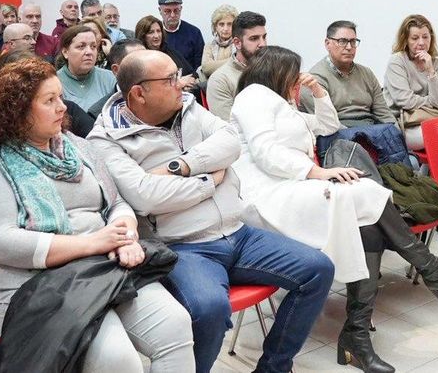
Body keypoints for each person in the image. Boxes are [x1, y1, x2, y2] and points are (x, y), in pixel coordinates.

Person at [230, 46, 438, 373]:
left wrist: (318, 92)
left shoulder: (283, 105)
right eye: (293, 76)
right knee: (364, 190)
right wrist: (318, 173)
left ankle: (357, 336)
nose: (297, 82)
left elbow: (328, 124)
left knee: (366, 223)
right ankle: (431, 268)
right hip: (268, 196)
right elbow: (265, 152)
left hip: (294, 187)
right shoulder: (254, 96)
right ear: (276, 72)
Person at [90, 50, 335, 373]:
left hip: (238, 232)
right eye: (170, 80)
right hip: (183, 246)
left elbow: (230, 142)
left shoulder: (189, 108)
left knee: (318, 269)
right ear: (139, 92)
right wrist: (211, 179)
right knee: (208, 309)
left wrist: (182, 166)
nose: (181, 85)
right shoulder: (106, 138)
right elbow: (146, 196)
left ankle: (274, 367)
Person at [0, 58, 194, 372]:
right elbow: (2, 243)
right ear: (17, 112)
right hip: (34, 282)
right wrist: (94, 243)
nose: (63, 107)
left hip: (103, 266)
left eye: (60, 97)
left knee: (176, 325)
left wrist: (125, 236)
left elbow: (116, 204)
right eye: (49, 101)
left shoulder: (79, 147)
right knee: (118, 359)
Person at [301, 21, 410, 166]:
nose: (349, 47)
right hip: (338, 135)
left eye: (353, 41)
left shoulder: (366, 73)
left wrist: (397, 137)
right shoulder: (315, 80)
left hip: (372, 130)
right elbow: (326, 125)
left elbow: (383, 112)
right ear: (327, 43)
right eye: (342, 41)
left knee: (393, 137)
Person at [383, 14, 438, 151]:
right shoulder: (397, 61)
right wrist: (432, 103)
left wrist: (431, 70)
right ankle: (430, 172)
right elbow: (405, 100)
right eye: (415, 38)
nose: (421, 42)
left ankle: (430, 172)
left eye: (425, 37)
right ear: (406, 40)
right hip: (405, 125)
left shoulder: (437, 65)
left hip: (431, 122)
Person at [206, 10, 267, 121]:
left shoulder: (273, 70)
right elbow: (229, 128)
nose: (262, 44)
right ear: (237, 43)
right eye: (254, 39)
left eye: (264, 37)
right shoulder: (220, 80)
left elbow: (290, 113)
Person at [56, 24, 117, 110]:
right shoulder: (55, 81)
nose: (89, 52)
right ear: (65, 52)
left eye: (93, 46)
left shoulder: (110, 78)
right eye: (81, 46)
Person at [134, 15, 198, 93]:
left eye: (158, 31)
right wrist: (180, 83)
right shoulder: (141, 59)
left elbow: (192, 73)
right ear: (143, 35)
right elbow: (154, 87)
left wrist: (190, 80)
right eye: (151, 32)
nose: (156, 36)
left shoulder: (169, 51)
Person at [86, 39, 141, 118]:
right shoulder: (99, 112)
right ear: (116, 70)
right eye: (137, 63)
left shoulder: (160, 96)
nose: (145, 67)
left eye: (147, 61)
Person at [157, 0, 205, 73]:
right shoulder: (155, 33)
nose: (172, 15)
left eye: (176, 11)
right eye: (167, 11)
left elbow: (200, 65)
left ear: (181, 9)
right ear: (160, 11)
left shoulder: (194, 33)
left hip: (189, 80)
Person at [199, 4, 238, 85]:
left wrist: (215, 65)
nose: (225, 29)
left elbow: (240, 68)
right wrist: (233, 61)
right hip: (212, 85)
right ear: (215, 26)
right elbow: (206, 68)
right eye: (221, 24)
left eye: (229, 24)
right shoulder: (209, 46)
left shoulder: (239, 43)